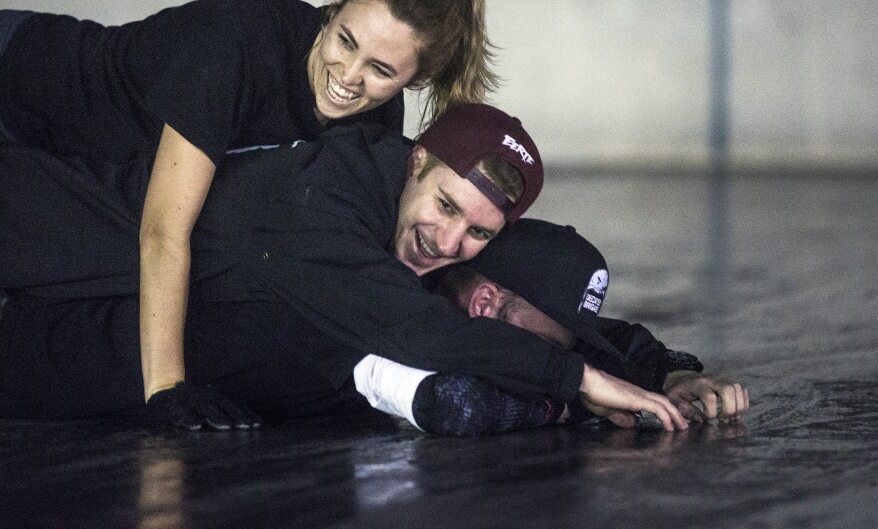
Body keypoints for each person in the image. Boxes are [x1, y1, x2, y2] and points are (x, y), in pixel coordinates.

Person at [0, 0, 497, 424]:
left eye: (381, 70)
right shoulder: (237, 45)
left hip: (67, 166)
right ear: (336, 3)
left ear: (415, 80)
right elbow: (163, 231)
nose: (349, 77)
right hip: (20, 82)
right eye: (346, 41)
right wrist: (167, 386)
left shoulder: (374, 122)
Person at [0, 104, 688, 431]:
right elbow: (420, 332)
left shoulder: (423, 234)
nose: (446, 241)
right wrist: (576, 381)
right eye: (445, 206)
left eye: (479, 231)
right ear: (415, 159)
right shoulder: (322, 203)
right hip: (34, 233)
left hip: (81, 323)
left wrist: (662, 367)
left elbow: (542, 310)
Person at [355, 218, 750, 435]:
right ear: (484, 303)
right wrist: (581, 398)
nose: (551, 358)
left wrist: (664, 376)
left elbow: (599, 343)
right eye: (545, 345)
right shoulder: (383, 310)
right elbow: (457, 403)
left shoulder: (478, 311)